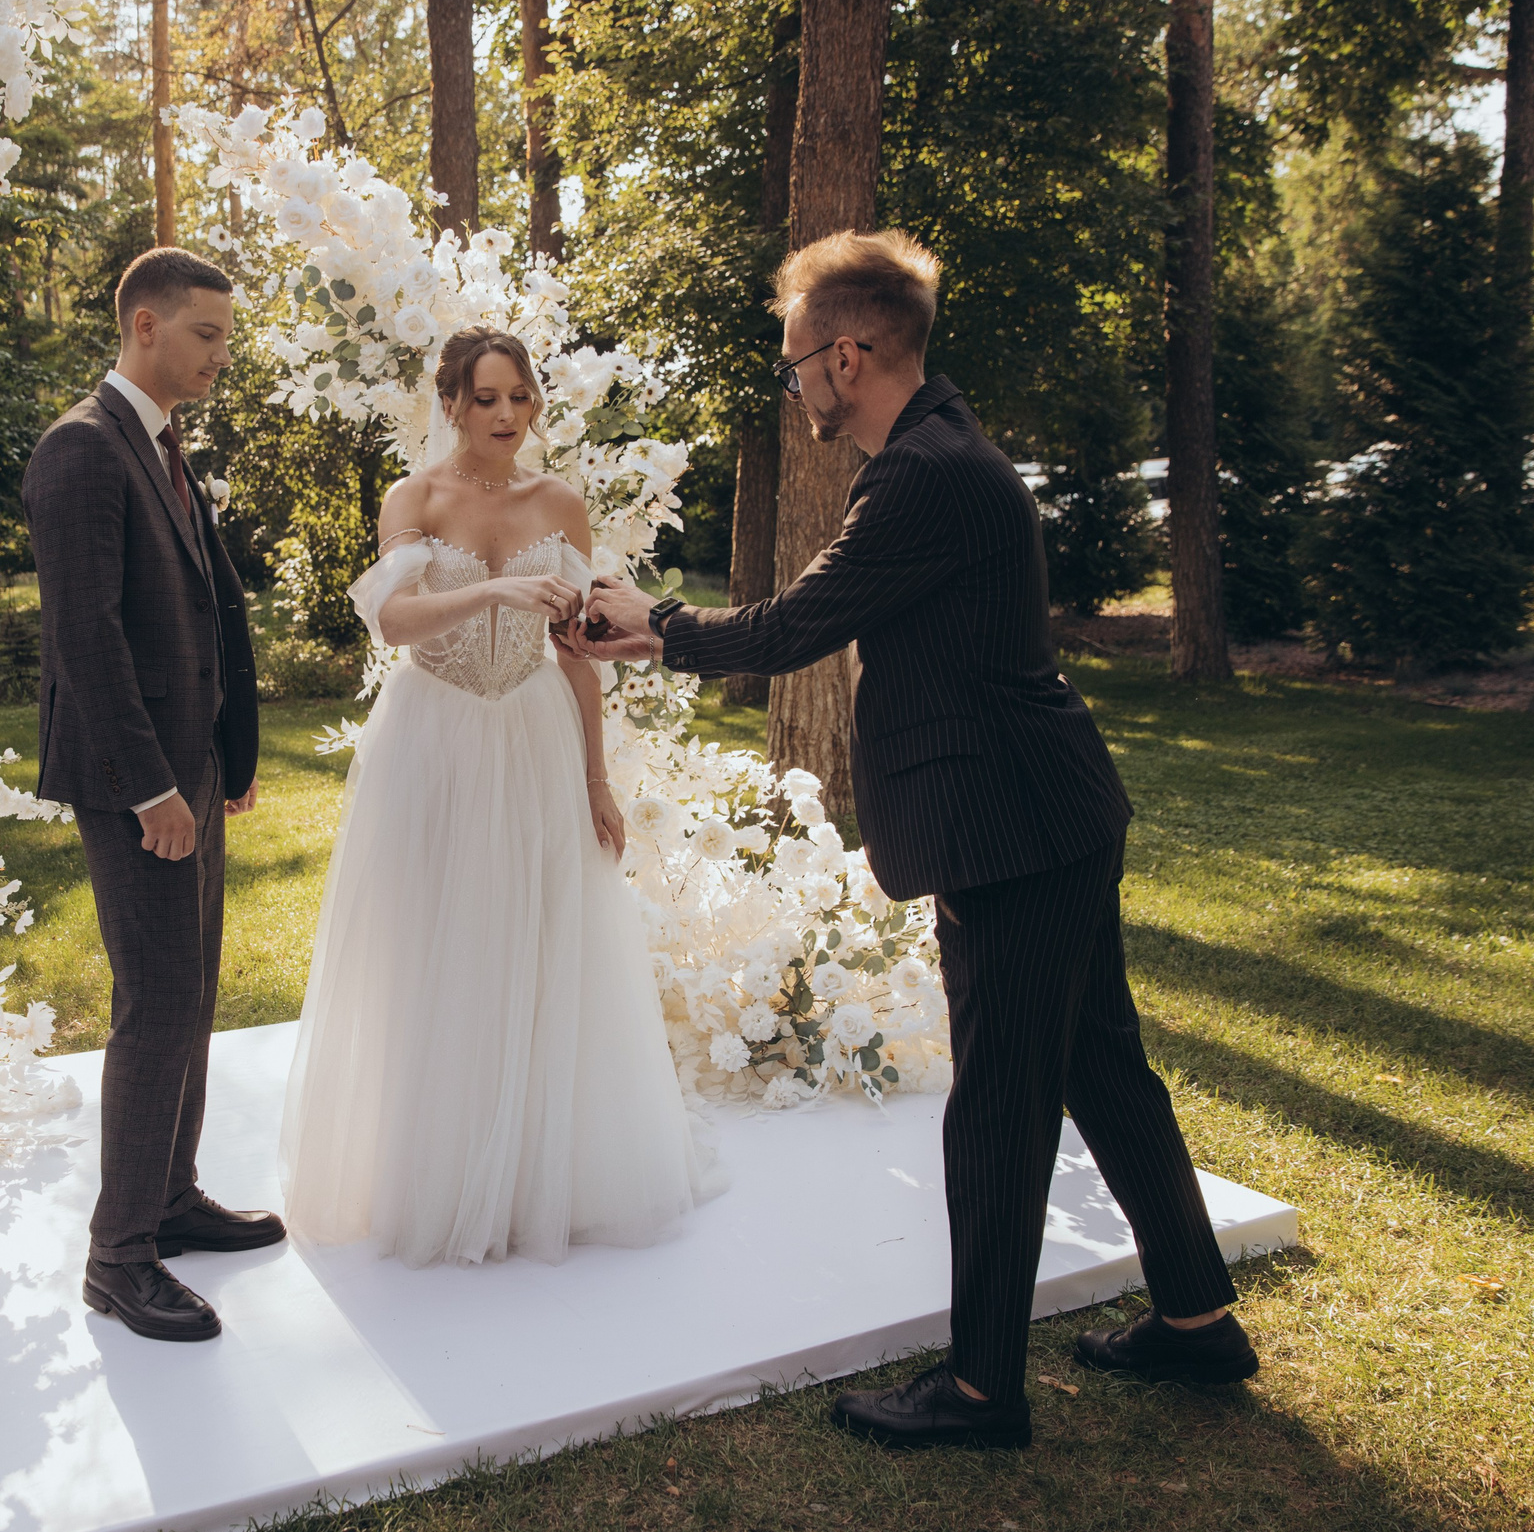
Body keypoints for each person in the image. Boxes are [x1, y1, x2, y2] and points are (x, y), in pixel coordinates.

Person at [573, 230, 1256, 1448]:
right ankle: (1200, 1323)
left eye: (795, 368)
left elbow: (796, 626)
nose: (794, 391)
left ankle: (984, 1388)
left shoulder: (926, 472)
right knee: (1101, 1068)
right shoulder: (938, 451)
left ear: (848, 353)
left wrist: (652, 619)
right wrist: (656, 636)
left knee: (1000, 1103)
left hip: (1008, 829)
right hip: (1043, 815)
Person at [277, 326, 724, 1267]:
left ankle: (532, 1172)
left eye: (520, 397)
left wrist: (596, 779)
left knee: (537, 937)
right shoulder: (416, 496)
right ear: (450, 404)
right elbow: (393, 620)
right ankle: (433, 1170)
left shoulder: (560, 501)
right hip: (432, 740)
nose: (507, 417)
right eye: (486, 399)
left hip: (531, 737)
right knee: (433, 944)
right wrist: (491, 593)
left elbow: (582, 650)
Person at [22, 247, 277, 1343]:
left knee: (194, 994)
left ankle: (169, 1199)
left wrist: (224, 756)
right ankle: (118, 1258)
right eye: (207, 335)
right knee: (156, 1004)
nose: (223, 355)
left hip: (191, 768)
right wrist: (150, 790)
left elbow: (202, 609)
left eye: (226, 336)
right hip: (141, 783)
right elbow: (87, 641)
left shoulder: (159, 444)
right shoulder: (81, 450)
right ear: (143, 326)